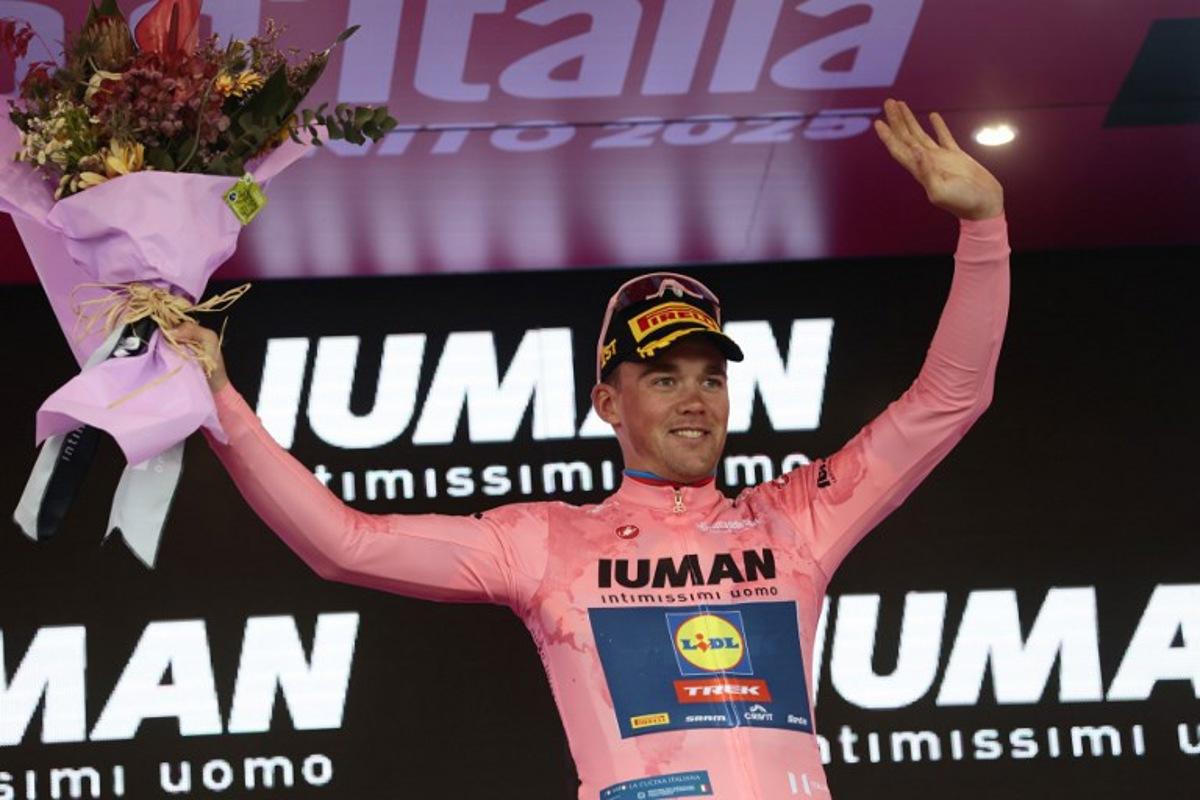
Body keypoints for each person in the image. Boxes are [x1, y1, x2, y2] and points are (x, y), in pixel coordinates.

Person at [175, 98, 1008, 800]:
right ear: (607, 401)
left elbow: (949, 400)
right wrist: (217, 398)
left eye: (710, 379)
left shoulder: (793, 520)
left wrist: (983, 228)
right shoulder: (546, 543)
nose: (695, 399)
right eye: (663, 378)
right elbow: (343, 542)